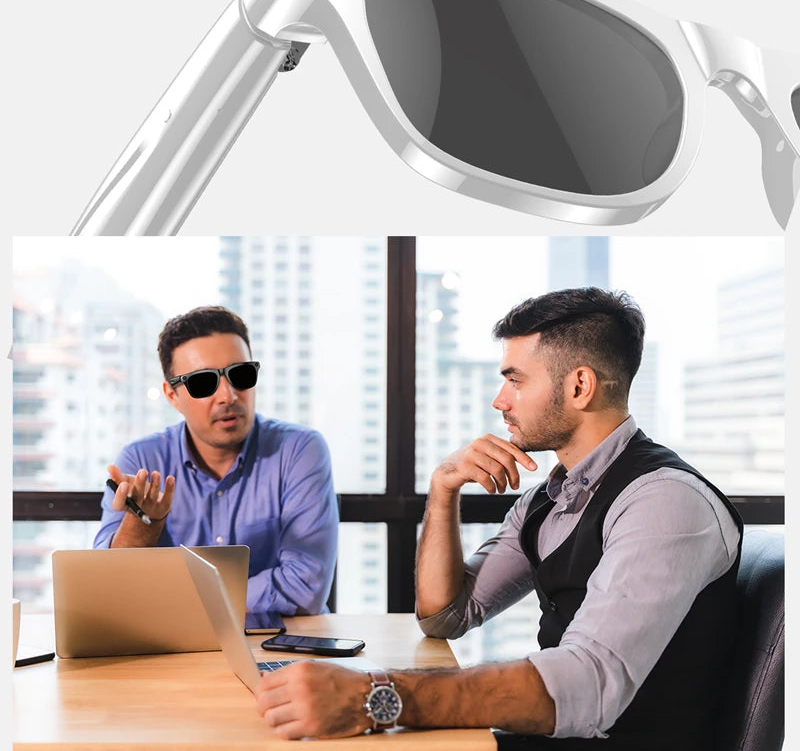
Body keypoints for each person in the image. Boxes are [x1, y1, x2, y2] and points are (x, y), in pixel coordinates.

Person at [253, 288, 742, 749]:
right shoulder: (545, 503)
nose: (499, 400)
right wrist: (445, 487)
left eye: (515, 379)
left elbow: (589, 685)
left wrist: (376, 696)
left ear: (579, 386)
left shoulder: (663, 501)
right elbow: (446, 616)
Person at [94, 305, 338, 617]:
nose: (228, 395)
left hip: (279, 643)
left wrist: (178, 601)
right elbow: (110, 588)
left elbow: (306, 589)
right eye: (203, 382)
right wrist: (144, 525)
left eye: (241, 375)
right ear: (172, 396)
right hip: (172, 649)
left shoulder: (299, 451)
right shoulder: (141, 460)